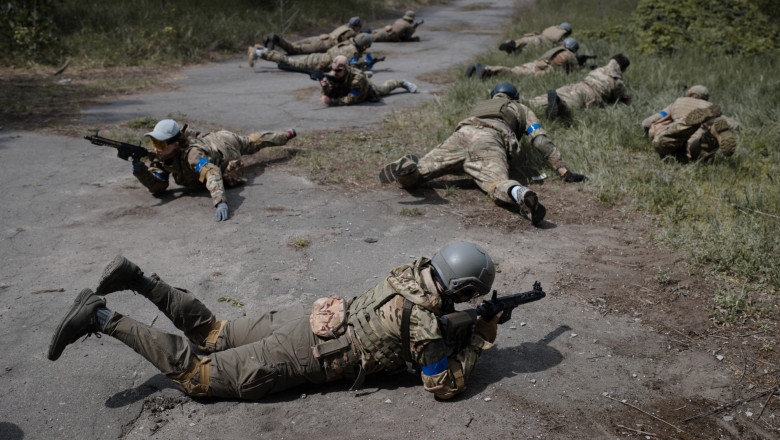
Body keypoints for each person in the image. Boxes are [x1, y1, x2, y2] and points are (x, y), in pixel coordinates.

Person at [47, 242, 502, 400]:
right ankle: (101, 316)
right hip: (307, 354)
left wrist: (462, 318)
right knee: (197, 376)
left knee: (213, 332)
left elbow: (420, 311)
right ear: (462, 290)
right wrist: (480, 336)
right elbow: (441, 385)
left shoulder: (410, 272)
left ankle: (136, 277)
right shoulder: (426, 326)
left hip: (308, 319)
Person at [378, 82, 588, 227]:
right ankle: (519, 193)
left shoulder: (480, 106)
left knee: (417, 176)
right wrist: (562, 170)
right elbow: (540, 140)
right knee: (496, 183)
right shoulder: (520, 108)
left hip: (460, 136)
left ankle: (407, 170)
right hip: (490, 141)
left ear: (493, 95)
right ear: (515, 97)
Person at [131, 119, 296, 222]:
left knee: (254, 142)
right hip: (209, 142)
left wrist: (220, 202)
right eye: (153, 142)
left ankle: (287, 134)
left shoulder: (193, 156)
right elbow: (159, 187)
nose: (155, 148)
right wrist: (141, 172)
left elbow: (211, 172)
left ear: (175, 144)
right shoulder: (163, 156)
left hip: (226, 144)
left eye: (160, 143)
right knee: (254, 141)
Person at [641, 85, 738, 161]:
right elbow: (734, 125)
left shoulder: (678, 102)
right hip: (695, 139)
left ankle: (686, 124)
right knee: (700, 150)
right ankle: (711, 134)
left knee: (660, 141)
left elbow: (647, 122)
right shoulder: (710, 107)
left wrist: (648, 133)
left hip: (675, 139)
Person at [527, 53, 631, 121]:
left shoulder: (599, 69)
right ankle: (558, 102)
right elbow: (616, 100)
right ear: (623, 68)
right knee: (568, 106)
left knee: (551, 95)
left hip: (578, 85)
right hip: (589, 94)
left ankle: (527, 102)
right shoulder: (618, 81)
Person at [319, 55, 417, 106]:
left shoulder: (357, 79)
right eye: (333, 69)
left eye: (338, 70)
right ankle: (366, 74)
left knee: (385, 89)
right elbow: (327, 92)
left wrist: (331, 102)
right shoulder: (334, 73)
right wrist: (325, 87)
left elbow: (351, 99)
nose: (335, 72)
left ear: (346, 69)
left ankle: (402, 83)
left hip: (367, 90)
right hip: (346, 88)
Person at [249, 32, 372, 72]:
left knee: (291, 52)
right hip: (317, 61)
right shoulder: (353, 51)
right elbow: (352, 69)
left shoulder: (348, 43)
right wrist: (364, 65)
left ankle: (261, 50)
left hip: (319, 57)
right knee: (288, 61)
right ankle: (258, 52)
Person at [466, 38, 582, 79]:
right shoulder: (569, 54)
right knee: (511, 73)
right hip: (543, 70)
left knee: (512, 71)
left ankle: (482, 70)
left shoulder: (558, 49)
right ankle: (486, 69)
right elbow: (574, 71)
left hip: (537, 63)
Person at [259, 16, 362, 56]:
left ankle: (269, 40)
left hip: (320, 38)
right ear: (357, 27)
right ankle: (276, 38)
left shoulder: (344, 26)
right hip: (323, 45)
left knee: (293, 44)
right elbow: (349, 46)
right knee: (294, 50)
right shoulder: (351, 33)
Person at [498, 22, 572, 55]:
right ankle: (512, 48)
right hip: (539, 41)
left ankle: (511, 45)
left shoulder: (552, 28)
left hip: (536, 38)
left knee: (521, 42)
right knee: (522, 46)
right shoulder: (561, 34)